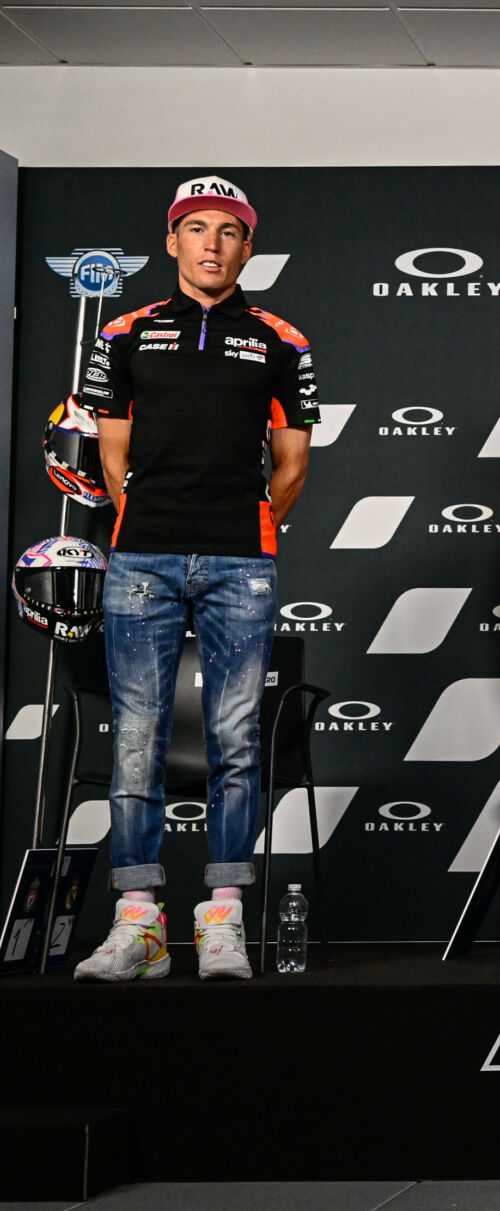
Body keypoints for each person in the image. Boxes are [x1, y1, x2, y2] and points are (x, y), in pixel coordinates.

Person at [74, 175, 316, 982]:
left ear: (248, 246)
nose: (213, 243)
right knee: (138, 736)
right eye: (197, 228)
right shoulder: (125, 332)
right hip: (142, 555)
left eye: (229, 231)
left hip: (241, 562)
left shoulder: (282, 338)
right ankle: (139, 924)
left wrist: (247, 524)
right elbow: (112, 455)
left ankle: (222, 922)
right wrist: (151, 515)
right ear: (172, 240)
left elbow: (291, 464)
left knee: (236, 741)